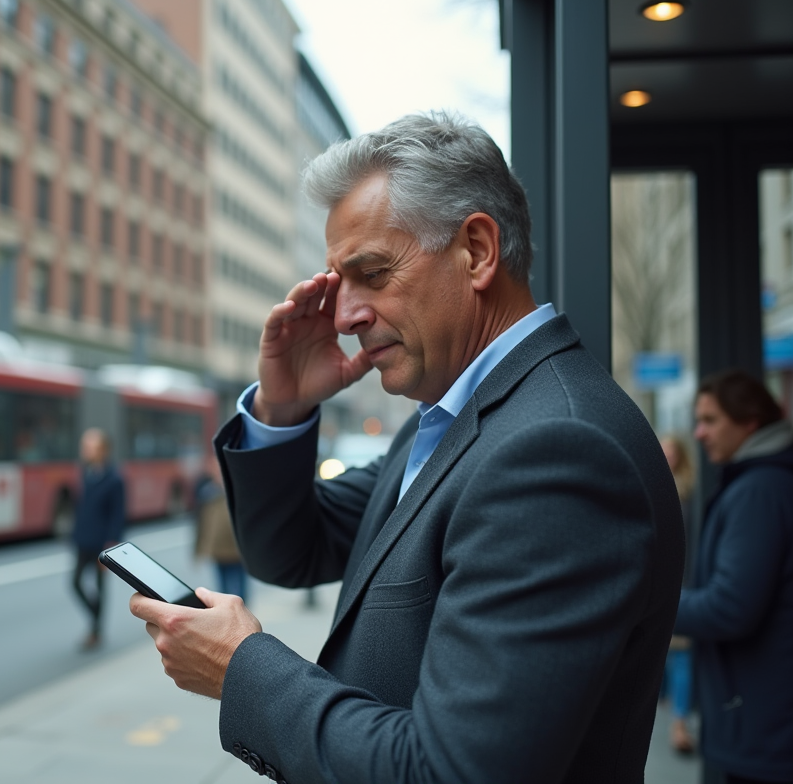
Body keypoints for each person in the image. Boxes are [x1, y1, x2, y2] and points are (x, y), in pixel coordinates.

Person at [126, 112, 685, 783]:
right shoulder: (460, 418)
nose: (344, 316)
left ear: (477, 250)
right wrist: (283, 408)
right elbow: (291, 548)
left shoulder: (554, 452)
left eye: (372, 273)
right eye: (338, 284)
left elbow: (452, 772)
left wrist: (243, 669)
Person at [675, 371, 793, 784]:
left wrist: (648, 600)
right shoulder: (763, 484)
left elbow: (730, 608)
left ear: (750, 422)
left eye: (711, 420)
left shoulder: (758, 492)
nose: (699, 433)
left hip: (765, 727)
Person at [659, 434, 697, 755]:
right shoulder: (651, 485)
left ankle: (679, 723)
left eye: (672, 451)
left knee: (682, 656)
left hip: (686, 586)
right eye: (663, 450)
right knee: (669, 655)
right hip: (661, 584)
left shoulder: (690, 494)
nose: (668, 456)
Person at [70, 428, 125, 651]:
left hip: (102, 543)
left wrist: (112, 542)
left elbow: (118, 514)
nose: (85, 450)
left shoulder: (114, 479)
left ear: (102, 450)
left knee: (101, 587)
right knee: (75, 582)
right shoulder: (85, 473)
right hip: (83, 540)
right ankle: (96, 615)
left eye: (89, 446)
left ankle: (96, 630)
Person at [194, 457, 247, 601]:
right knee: (222, 589)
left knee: (239, 589)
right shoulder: (206, 492)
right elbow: (201, 524)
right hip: (217, 550)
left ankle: (242, 614)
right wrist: (198, 549)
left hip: (237, 550)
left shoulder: (238, 490)